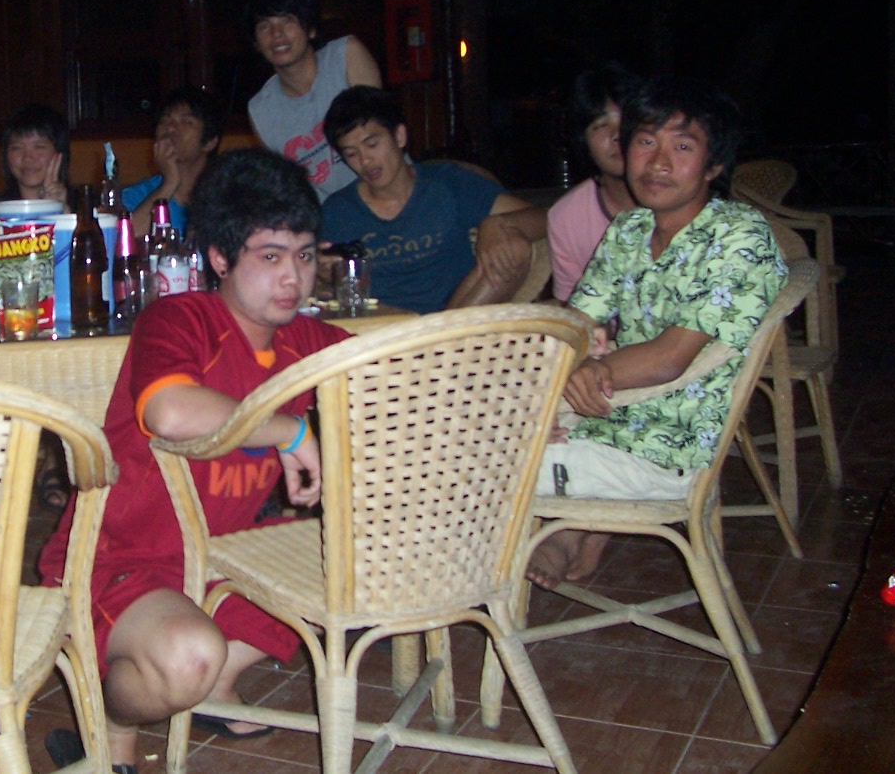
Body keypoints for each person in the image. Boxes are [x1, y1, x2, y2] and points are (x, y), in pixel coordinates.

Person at [38, 148, 348, 773]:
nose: (293, 277)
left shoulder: (306, 338)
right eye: (270, 257)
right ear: (219, 259)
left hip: (223, 557)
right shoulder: (179, 319)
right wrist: (290, 432)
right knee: (187, 659)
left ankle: (212, 686)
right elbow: (171, 412)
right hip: (119, 559)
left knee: (357, 572)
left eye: (304, 256)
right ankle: (111, 725)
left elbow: (399, 378)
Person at [525, 76, 785, 589]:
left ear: (714, 165)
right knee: (467, 422)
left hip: (667, 452)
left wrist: (580, 374)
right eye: (645, 141)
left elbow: (671, 357)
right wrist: (554, 392)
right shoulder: (630, 229)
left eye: (682, 147)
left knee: (465, 463)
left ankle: (447, 590)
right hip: (604, 418)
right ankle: (570, 528)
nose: (658, 162)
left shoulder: (738, 236)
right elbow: (577, 323)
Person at [320, 86, 547, 313]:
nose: (365, 160)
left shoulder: (449, 183)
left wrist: (499, 223)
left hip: (457, 316)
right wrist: (319, 277)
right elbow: (314, 278)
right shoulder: (338, 211)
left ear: (399, 136)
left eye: (372, 144)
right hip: (383, 327)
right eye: (351, 154)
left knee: (515, 247)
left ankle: (444, 332)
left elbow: (547, 219)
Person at [246, 0, 382, 201]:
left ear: (310, 29)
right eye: (264, 26)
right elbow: (286, 186)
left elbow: (380, 139)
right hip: (327, 217)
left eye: (287, 21)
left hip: (388, 198)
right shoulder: (260, 109)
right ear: (256, 43)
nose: (276, 34)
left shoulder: (346, 56)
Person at [548, 63, 642, 302]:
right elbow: (574, 310)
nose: (617, 135)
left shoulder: (679, 202)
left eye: (626, 121)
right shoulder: (566, 218)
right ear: (584, 141)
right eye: (601, 125)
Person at [120, 86, 222, 238]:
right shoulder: (136, 196)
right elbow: (125, 240)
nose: (170, 128)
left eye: (186, 121)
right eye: (165, 120)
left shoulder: (224, 195)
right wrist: (169, 184)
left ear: (209, 142)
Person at [0, 103, 74, 219]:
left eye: (39, 147)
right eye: (17, 148)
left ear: (60, 152)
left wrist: (61, 211)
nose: (27, 157)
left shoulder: (84, 206)